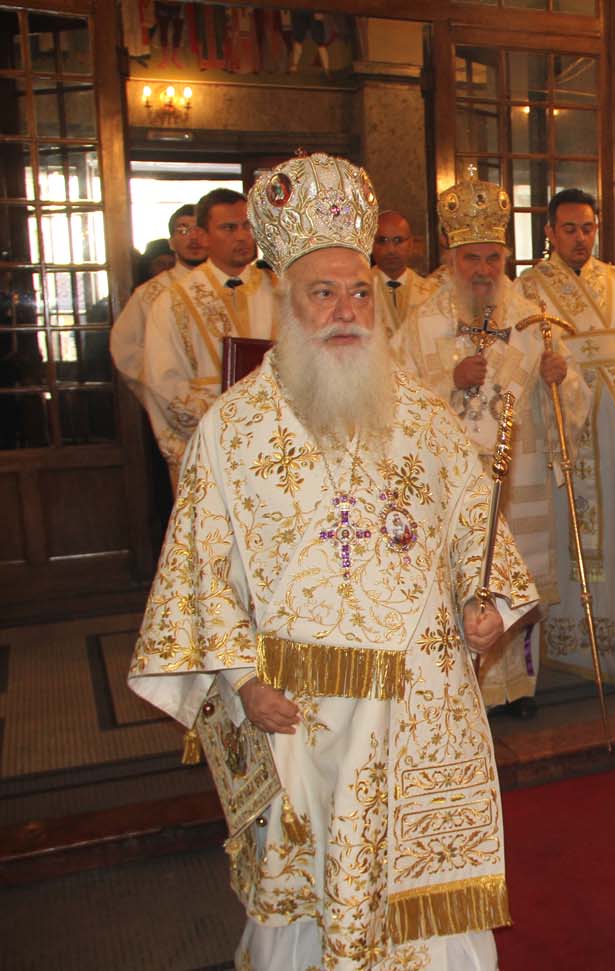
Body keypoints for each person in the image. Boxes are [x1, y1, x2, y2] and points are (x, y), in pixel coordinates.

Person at [130, 153, 537, 970]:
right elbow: (199, 570)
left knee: (416, 888)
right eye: (323, 293)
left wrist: (486, 599)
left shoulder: (421, 415)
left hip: (419, 700)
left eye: (358, 293)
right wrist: (241, 679)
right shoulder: (232, 430)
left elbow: (476, 529)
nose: (346, 310)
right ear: (288, 299)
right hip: (301, 707)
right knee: (313, 883)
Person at [395, 175, 589, 719]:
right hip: (450, 481)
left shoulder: (531, 319)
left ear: (505, 259)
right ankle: (462, 691)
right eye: (471, 258)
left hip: (518, 475)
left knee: (516, 574)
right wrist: (448, 382)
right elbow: (393, 399)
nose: (482, 270)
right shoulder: (422, 322)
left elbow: (571, 403)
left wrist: (559, 379)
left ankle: (518, 689)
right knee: (455, 579)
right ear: (451, 258)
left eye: (492, 258)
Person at [516, 188, 615, 689]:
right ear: (549, 232)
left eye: (587, 228)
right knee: (574, 533)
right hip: (569, 431)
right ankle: (575, 645)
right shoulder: (527, 289)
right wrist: (542, 372)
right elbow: (514, 359)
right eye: (569, 229)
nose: (580, 238)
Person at [141, 187, 276, 485]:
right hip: (211, 447)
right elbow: (163, 382)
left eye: (247, 226)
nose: (242, 236)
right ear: (203, 235)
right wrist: (233, 420)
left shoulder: (281, 291)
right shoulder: (173, 302)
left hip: (276, 446)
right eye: (229, 228)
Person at [109, 204, 207, 394]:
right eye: (183, 230)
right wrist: (165, 388)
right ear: (171, 242)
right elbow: (125, 349)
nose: (193, 237)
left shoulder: (234, 286)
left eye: (200, 229)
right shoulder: (150, 293)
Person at [373, 209, 428, 339]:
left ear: (411, 243)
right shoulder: (358, 292)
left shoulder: (430, 293)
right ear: (370, 243)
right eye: (382, 240)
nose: (390, 249)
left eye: (398, 240)